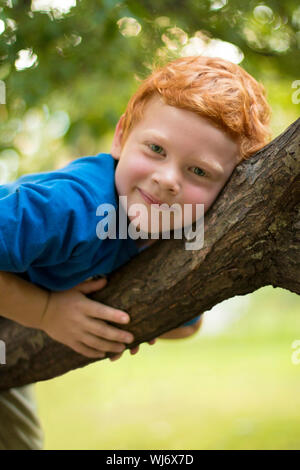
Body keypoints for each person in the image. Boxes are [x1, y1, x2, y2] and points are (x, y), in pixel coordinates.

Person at [0, 55, 271, 449]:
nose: (167, 179)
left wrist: (147, 318)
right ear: (121, 137)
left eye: (199, 172)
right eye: (156, 148)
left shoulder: (175, 230)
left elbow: (187, 324)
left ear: (228, 192)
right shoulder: (70, 208)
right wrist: (45, 312)